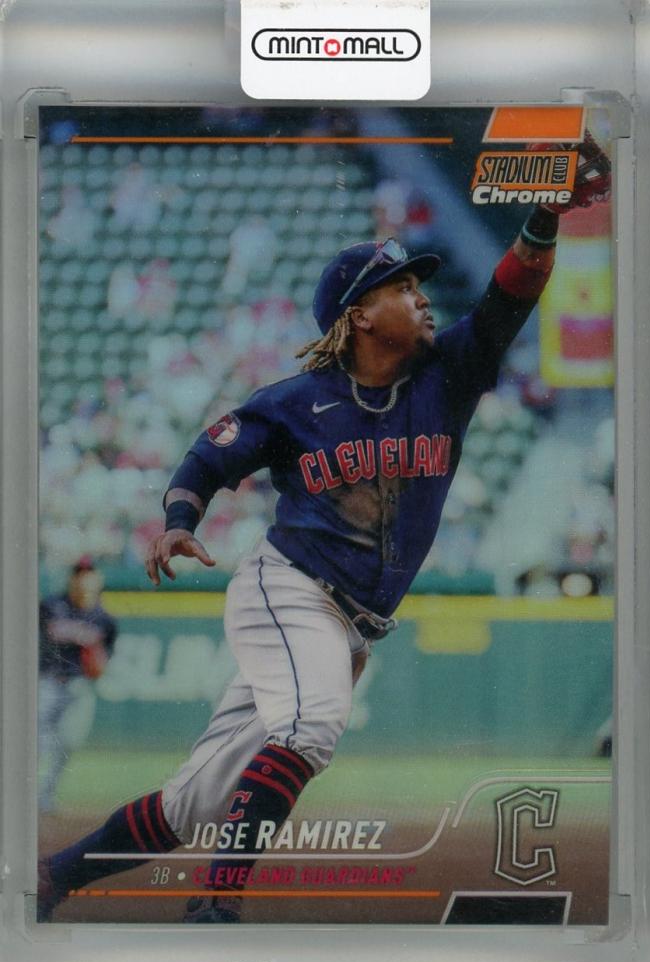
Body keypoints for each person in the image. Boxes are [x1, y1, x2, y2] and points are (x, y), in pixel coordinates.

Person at [38, 149, 609, 922]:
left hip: (350, 623)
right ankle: (215, 908)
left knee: (191, 804)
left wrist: (545, 215)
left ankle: (57, 875)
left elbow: (513, 293)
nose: (422, 296)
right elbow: (210, 455)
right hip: (289, 589)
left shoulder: (449, 374)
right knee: (310, 727)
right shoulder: (296, 401)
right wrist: (178, 522)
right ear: (359, 315)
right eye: (402, 287)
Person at [38, 556, 117, 813]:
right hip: (47, 683)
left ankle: (45, 796)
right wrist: (82, 635)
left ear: (97, 579)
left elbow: (104, 660)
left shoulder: (104, 618)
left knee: (69, 742)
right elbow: (51, 632)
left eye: (88, 573)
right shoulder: (52, 605)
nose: (83, 579)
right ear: (71, 579)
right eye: (79, 574)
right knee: (38, 740)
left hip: (80, 686)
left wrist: (96, 659)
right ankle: (20, 795)